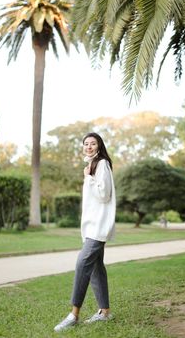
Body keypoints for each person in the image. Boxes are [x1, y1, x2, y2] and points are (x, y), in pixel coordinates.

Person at [54, 132, 116, 332]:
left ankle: (74, 315)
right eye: (86, 144)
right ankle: (104, 312)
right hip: (91, 226)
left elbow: (104, 195)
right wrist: (88, 174)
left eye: (93, 143)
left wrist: (88, 177)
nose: (89, 146)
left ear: (99, 146)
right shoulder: (92, 165)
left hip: (99, 226)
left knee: (82, 263)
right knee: (97, 268)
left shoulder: (101, 164)